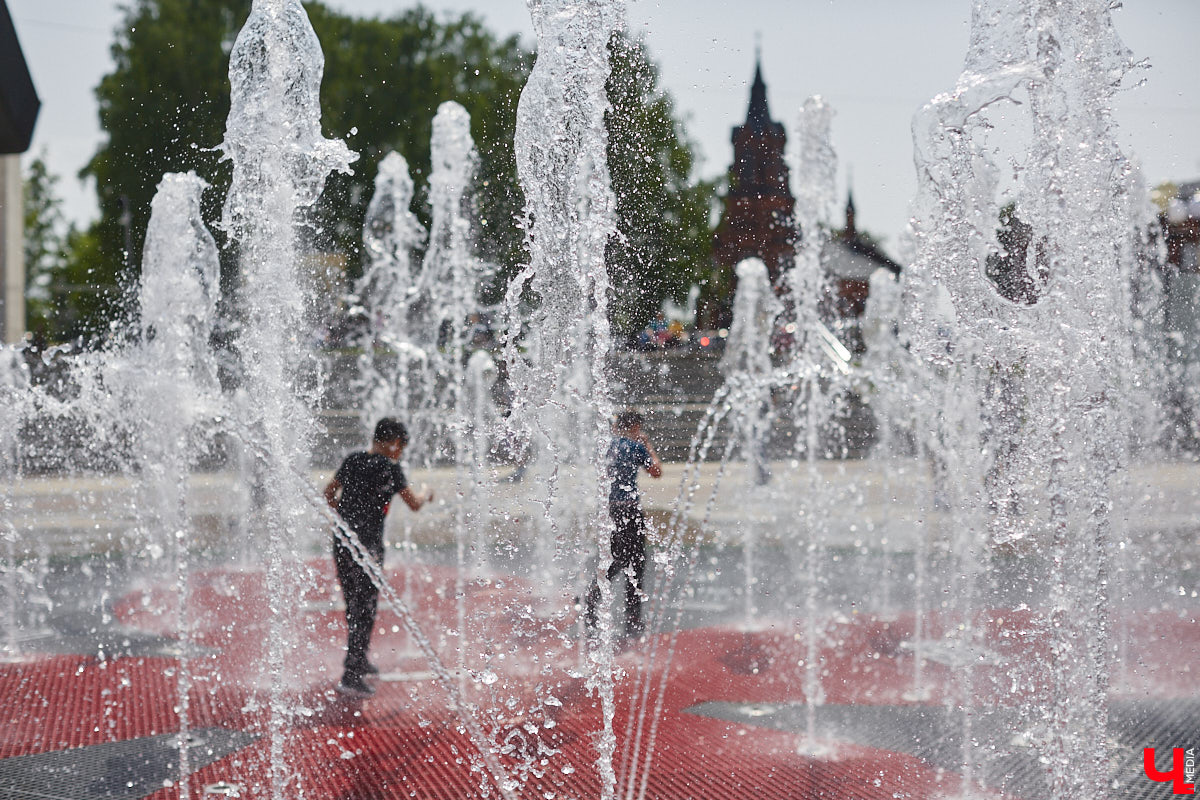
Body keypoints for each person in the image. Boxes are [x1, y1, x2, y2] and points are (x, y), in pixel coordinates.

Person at [324, 418, 431, 696]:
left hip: (343, 543)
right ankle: (351, 674)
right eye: (401, 446)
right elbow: (414, 504)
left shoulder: (353, 460)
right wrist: (426, 494)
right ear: (394, 442)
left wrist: (343, 517)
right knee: (366, 608)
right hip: (368, 548)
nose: (401, 452)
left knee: (354, 604)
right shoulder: (391, 469)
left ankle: (358, 660)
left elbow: (328, 492)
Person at [585, 410, 663, 640]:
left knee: (616, 557)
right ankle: (632, 616)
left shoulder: (605, 446)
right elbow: (656, 472)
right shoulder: (636, 446)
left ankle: (592, 595)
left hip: (610, 509)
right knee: (636, 561)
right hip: (630, 509)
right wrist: (647, 445)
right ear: (635, 427)